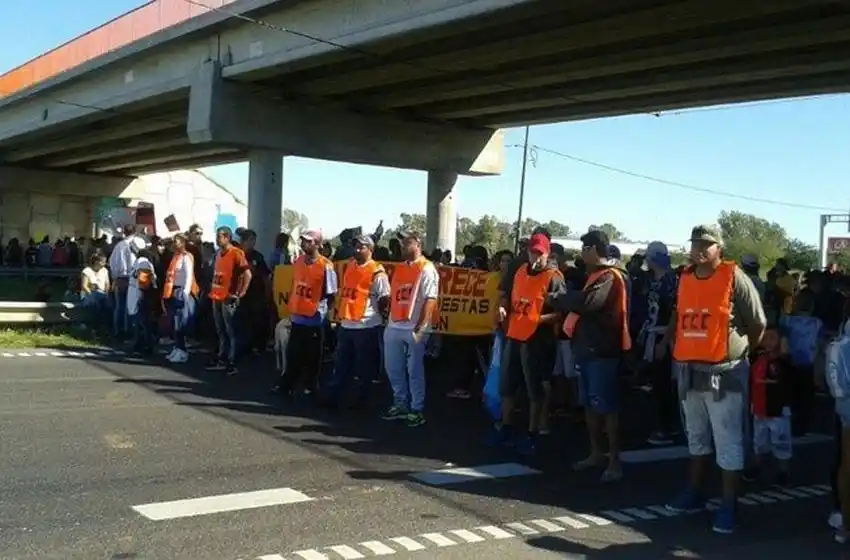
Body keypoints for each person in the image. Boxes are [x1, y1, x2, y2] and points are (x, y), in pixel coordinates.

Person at [662, 225, 766, 534]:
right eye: (695, 243)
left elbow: (758, 322)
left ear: (719, 248)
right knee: (696, 435)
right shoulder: (685, 277)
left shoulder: (735, 277)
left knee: (728, 440)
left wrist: (743, 352)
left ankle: (728, 503)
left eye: (706, 244)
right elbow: (679, 313)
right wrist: (670, 339)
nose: (699, 248)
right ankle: (695, 491)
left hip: (725, 373)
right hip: (690, 370)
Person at [553, 230, 631, 482]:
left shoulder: (609, 276)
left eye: (585, 248)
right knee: (589, 404)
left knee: (607, 407)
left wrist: (557, 298)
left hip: (603, 352)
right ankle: (596, 453)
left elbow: (587, 303)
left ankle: (614, 461)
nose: (581, 253)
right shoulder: (596, 275)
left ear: (594, 249)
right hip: (587, 350)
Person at [489, 233, 565, 454]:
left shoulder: (553, 276)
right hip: (514, 334)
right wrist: (503, 307)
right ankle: (506, 426)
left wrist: (538, 319)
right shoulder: (520, 271)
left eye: (540, 253)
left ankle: (533, 432)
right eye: (533, 252)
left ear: (547, 253)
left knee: (535, 389)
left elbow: (561, 312)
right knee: (508, 385)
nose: (536, 257)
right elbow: (506, 296)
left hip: (537, 339)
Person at [324, 234, 389, 408]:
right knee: (341, 364)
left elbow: (384, 298)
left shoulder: (377, 272)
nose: (357, 250)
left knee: (364, 368)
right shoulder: (350, 266)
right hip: (347, 323)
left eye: (362, 247)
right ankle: (334, 397)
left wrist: (378, 314)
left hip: (366, 325)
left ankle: (361, 401)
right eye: (356, 246)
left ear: (371, 250)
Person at [382, 231, 439, 427]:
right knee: (393, 367)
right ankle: (400, 403)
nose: (403, 246)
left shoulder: (427, 268)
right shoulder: (400, 268)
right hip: (394, 324)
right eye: (402, 243)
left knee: (414, 370)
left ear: (417, 245)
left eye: (407, 243)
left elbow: (431, 299)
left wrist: (421, 327)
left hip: (414, 327)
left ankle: (417, 408)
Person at [272, 229, 337, 397]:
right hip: (297, 317)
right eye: (303, 240)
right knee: (293, 354)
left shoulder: (326, 266)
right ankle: (288, 385)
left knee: (313, 357)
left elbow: (331, 294)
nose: (303, 243)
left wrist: (326, 316)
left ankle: (311, 386)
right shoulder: (299, 261)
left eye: (308, 241)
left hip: (314, 319)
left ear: (317, 244)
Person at [641, 241, 680, 446]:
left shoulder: (670, 279)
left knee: (664, 382)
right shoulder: (652, 279)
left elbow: (676, 311)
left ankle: (667, 428)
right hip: (653, 333)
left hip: (665, 335)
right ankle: (664, 424)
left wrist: (664, 341)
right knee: (657, 382)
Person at [749, 326, 793, 486]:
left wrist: (784, 344)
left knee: (780, 442)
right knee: (758, 441)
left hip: (777, 410)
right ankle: (756, 467)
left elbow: (786, 370)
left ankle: (783, 472)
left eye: (772, 338)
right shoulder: (758, 358)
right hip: (759, 407)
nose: (767, 342)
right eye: (765, 338)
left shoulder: (782, 361)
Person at [205, 227, 252, 376]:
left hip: (228, 297)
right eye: (217, 236)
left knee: (231, 330)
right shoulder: (218, 254)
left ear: (227, 237)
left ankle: (232, 361)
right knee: (220, 329)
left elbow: (247, 274)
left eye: (220, 236)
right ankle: (221, 357)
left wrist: (240, 293)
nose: (217, 239)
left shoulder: (236, 253)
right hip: (216, 296)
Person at [162, 234, 198, 364]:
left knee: (182, 322)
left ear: (182, 243)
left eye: (176, 242)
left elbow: (189, 276)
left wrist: (185, 292)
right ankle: (177, 347)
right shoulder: (175, 257)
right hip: (174, 290)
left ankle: (182, 351)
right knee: (175, 321)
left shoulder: (186, 257)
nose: (174, 244)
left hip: (182, 290)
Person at [80, 252, 111, 330]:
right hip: (88, 295)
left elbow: (107, 284)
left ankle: (105, 326)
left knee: (109, 304)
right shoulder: (87, 271)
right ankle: (97, 327)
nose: (104, 263)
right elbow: (84, 286)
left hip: (102, 294)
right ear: (96, 262)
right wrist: (91, 295)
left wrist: (106, 293)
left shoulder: (105, 270)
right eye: (103, 261)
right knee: (96, 303)